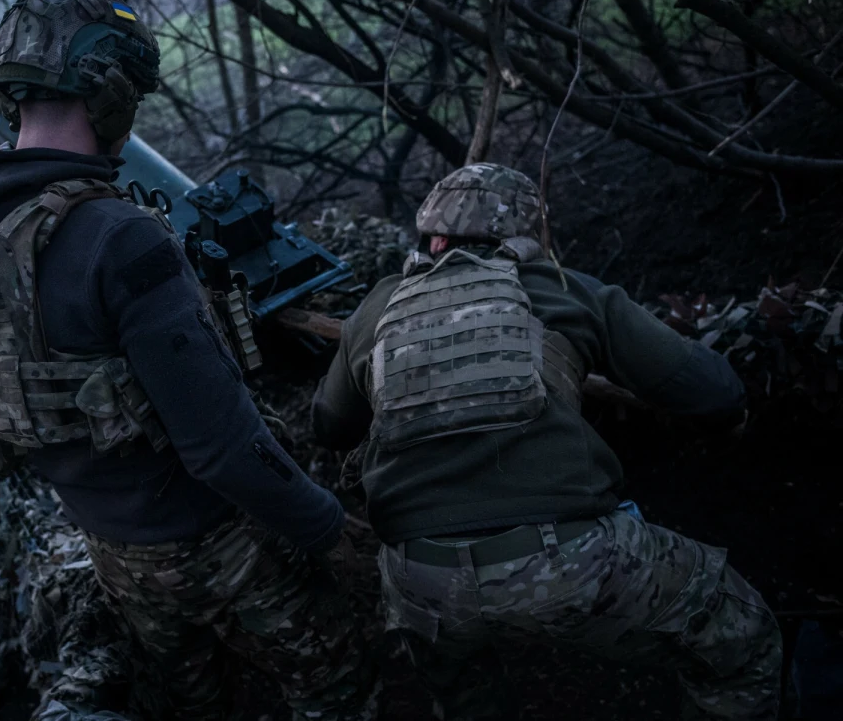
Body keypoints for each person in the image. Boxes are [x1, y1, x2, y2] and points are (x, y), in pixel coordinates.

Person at [0, 0, 364, 719]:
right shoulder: (120, 238)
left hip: (109, 546)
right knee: (341, 682)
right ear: (111, 88)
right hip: (213, 543)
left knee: (194, 700)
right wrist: (328, 529)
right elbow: (221, 447)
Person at [312, 163, 782, 719]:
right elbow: (714, 392)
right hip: (564, 565)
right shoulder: (561, 288)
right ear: (529, 237)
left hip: (422, 581)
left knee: (465, 700)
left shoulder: (378, 307)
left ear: (432, 238)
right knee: (743, 640)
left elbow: (329, 427)